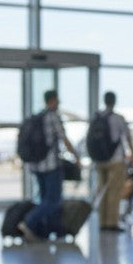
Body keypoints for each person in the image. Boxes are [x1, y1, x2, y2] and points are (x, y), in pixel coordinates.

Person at [19, 89, 80, 244]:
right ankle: (28, 222)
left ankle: (48, 230)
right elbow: (63, 139)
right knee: (53, 201)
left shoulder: (36, 117)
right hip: (51, 166)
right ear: (53, 100)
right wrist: (76, 156)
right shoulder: (53, 117)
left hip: (36, 166)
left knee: (45, 199)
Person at [95, 91, 133, 232]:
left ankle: (102, 222)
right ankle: (112, 223)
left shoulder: (97, 117)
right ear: (114, 101)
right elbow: (127, 138)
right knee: (114, 191)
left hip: (100, 159)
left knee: (102, 190)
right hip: (116, 159)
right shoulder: (118, 118)